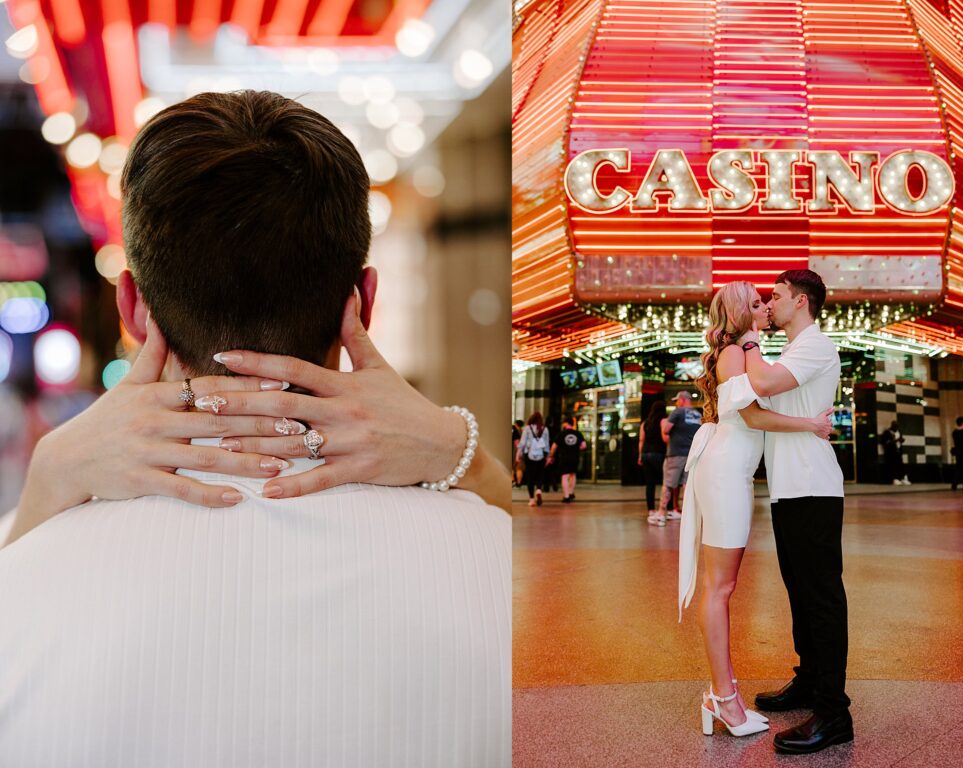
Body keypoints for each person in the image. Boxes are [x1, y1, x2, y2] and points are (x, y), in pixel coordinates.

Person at [0, 91, 511, 767]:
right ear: (362, 301)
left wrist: (46, 481)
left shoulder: (24, 574)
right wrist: (462, 452)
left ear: (131, 307)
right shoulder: (502, 562)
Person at [678, 279, 833, 745]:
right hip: (726, 472)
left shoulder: (743, 352)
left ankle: (722, 697)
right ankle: (724, 699)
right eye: (758, 302)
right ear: (741, 311)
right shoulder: (734, 353)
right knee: (720, 588)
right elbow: (752, 416)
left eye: (770, 300)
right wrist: (811, 423)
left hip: (732, 471)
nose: (767, 307)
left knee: (722, 587)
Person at [731, 270, 852, 754]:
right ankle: (808, 682)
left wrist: (748, 339)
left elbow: (763, 381)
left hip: (814, 487)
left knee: (821, 597)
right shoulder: (795, 348)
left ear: (801, 302)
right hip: (790, 489)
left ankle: (833, 712)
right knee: (800, 592)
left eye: (777, 297)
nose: (770, 303)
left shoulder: (816, 345)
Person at [659, 392, 700, 519]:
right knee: (687, 485)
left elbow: (666, 430)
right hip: (692, 455)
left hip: (676, 454)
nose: (676, 403)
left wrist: (664, 424)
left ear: (682, 400)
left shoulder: (678, 412)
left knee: (669, 484)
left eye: (677, 401)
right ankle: (688, 514)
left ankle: (661, 513)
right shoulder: (698, 415)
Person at [638, 400, 668, 525]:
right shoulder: (663, 421)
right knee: (665, 483)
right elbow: (664, 438)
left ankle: (651, 510)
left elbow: (641, 440)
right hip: (659, 454)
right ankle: (668, 508)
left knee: (650, 484)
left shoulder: (645, 423)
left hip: (646, 454)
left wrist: (640, 456)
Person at [549, 415, 586, 503]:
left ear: (566, 424)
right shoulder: (578, 433)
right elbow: (584, 446)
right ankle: (571, 492)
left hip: (564, 457)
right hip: (575, 457)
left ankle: (566, 497)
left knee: (565, 476)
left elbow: (554, 446)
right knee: (573, 475)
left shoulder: (561, 434)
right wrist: (576, 448)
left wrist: (551, 455)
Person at [519, 411, 550, 506]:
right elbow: (547, 444)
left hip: (529, 455)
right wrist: (548, 456)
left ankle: (532, 499)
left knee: (530, 477)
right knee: (539, 475)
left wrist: (518, 454)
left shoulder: (527, 429)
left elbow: (523, 442)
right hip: (541, 455)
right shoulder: (545, 429)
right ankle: (539, 490)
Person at [880, 420, 910, 485]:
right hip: (891, 453)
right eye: (896, 426)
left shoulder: (899, 432)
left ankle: (902, 478)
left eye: (898, 426)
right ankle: (894, 479)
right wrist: (896, 440)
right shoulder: (887, 432)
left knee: (900, 465)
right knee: (893, 466)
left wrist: (901, 440)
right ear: (892, 425)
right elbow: (886, 442)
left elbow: (899, 440)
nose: (897, 428)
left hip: (898, 451)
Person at [513, 419, 524, 487]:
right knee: (520, 468)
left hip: (514, 450)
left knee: (512, 466)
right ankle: (519, 482)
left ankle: (513, 480)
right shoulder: (524, 431)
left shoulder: (514, 431)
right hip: (522, 450)